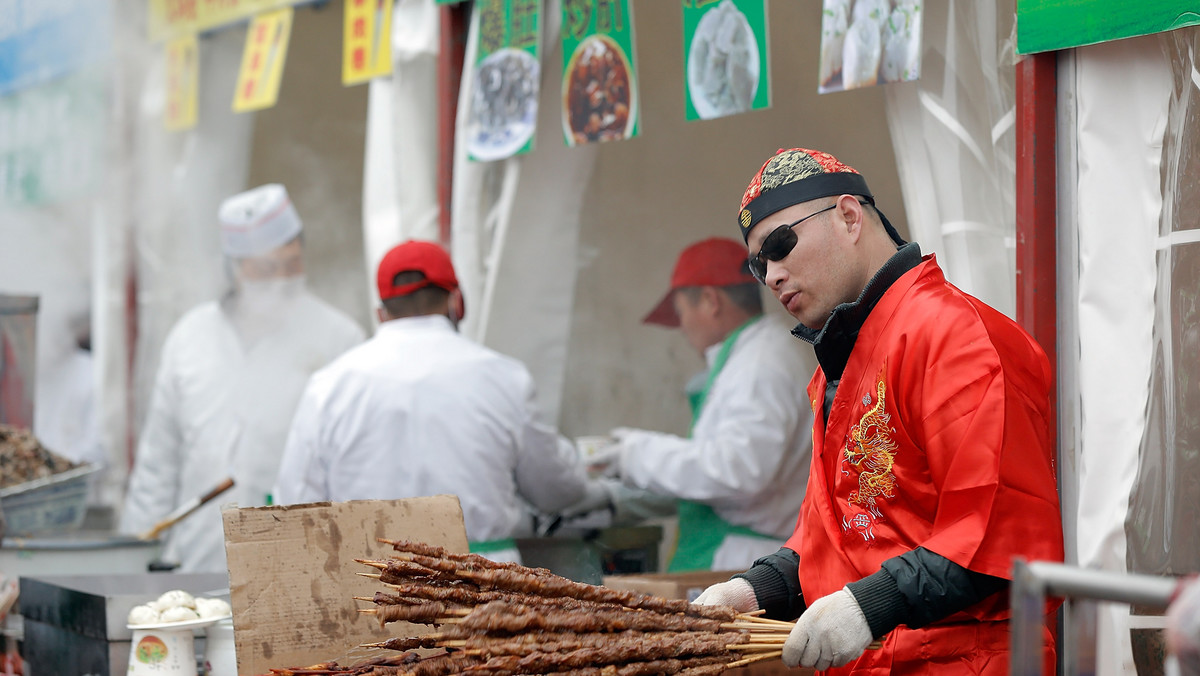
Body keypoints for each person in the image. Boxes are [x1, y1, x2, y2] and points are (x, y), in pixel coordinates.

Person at [693, 148, 1064, 673]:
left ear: (849, 216)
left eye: (781, 244)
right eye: (759, 263)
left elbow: (1001, 537)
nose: (773, 273)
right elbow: (837, 539)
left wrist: (867, 605)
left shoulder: (955, 337)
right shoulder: (839, 363)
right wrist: (750, 590)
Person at [274, 240, 610, 564]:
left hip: (372, 590)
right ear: (456, 302)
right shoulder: (505, 378)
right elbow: (556, 491)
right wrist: (600, 483)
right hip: (482, 589)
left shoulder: (329, 387)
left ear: (381, 313)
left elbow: (296, 506)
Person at [120, 184, 365, 573]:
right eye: (267, 269)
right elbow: (157, 467)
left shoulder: (340, 339)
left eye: (292, 264)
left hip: (300, 569)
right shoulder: (191, 337)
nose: (283, 279)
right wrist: (129, 563)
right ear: (234, 268)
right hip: (195, 565)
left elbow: (357, 471)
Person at [591, 237, 816, 572]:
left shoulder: (760, 364)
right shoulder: (750, 356)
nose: (682, 329)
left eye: (681, 313)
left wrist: (634, 454)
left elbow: (739, 468)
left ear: (711, 301)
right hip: (742, 551)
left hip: (747, 558)